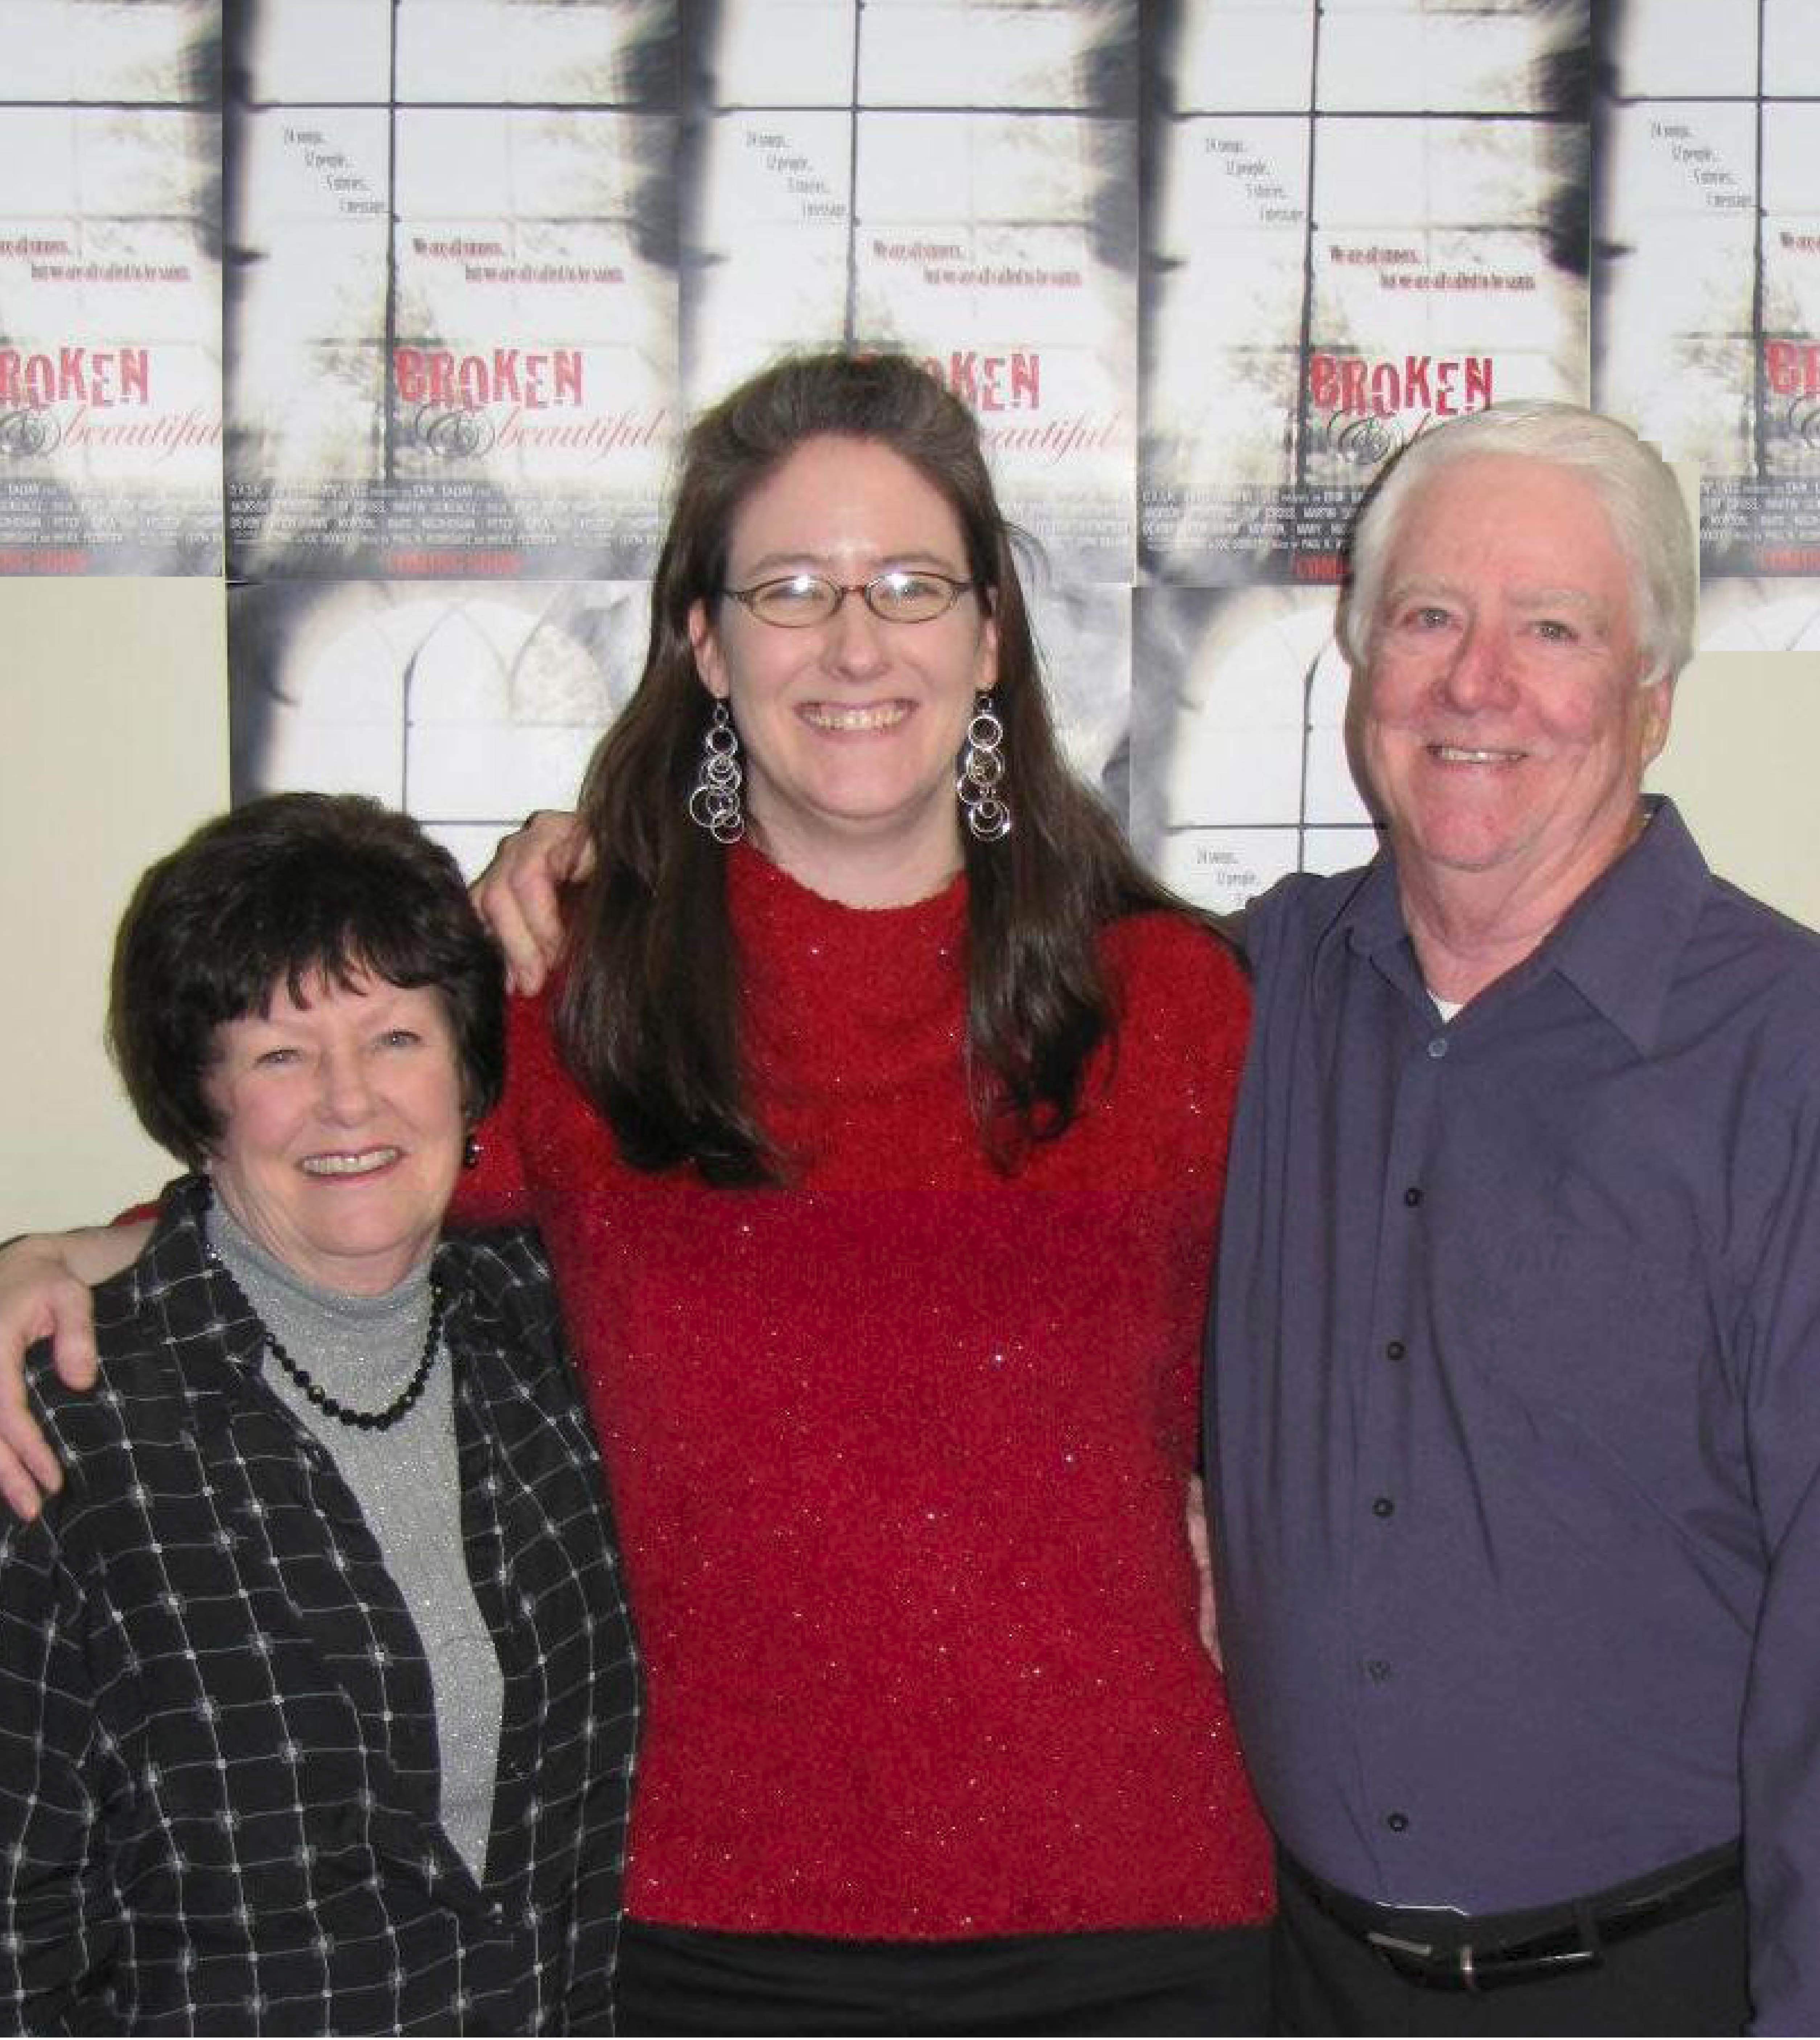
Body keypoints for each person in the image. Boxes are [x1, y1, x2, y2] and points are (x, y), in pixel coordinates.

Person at [0, 354, 1272, 2034]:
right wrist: (75, 1253)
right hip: (702, 1938)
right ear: (704, 644)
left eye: (908, 585)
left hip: (1138, 1922)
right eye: (789, 590)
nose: (853, 643)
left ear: (989, 634)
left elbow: (1308, 1389)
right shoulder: (587, 995)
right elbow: (346, 1182)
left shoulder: (1170, 1008)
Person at [1209, 402, 1820, 2033]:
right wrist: (619, 865)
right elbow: (924, 986)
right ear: (1361, 671)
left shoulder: (1791, 1057)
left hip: (1670, 1992)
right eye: (1428, 618)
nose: (1477, 683)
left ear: (1653, 697)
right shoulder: (1245, 1000)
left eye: (1550, 628)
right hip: (1296, 1982)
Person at [0, 793, 638, 2033]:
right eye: (280, 1055)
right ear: (203, 1100)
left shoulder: (571, 1349)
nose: (351, 1103)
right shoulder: (69, 1421)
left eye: (396, 1038)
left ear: (468, 1078)